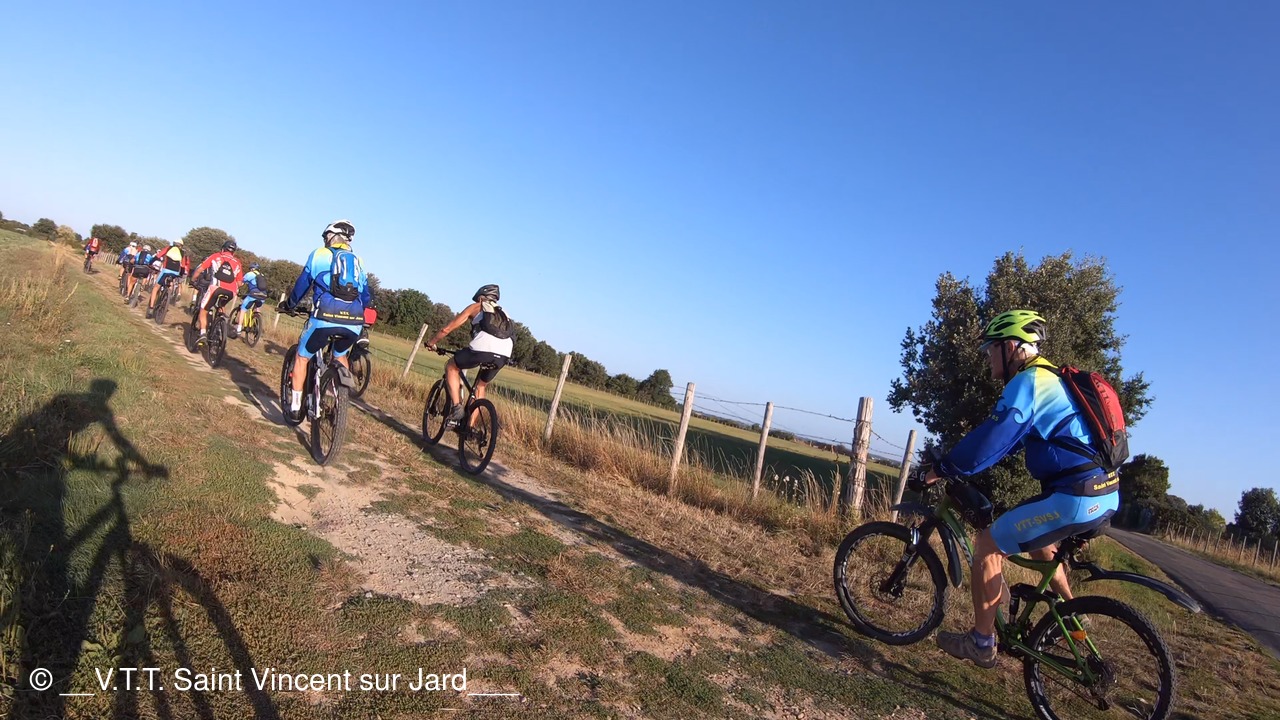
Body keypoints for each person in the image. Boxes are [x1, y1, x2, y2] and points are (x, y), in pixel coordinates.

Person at [925, 310, 1121, 668]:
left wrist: (944, 467)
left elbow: (993, 437)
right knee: (1042, 543)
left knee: (988, 545)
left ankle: (981, 642)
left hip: (1075, 498)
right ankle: (1072, 615)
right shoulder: (1053, 379)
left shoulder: (1029, 382)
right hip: (1103, 492)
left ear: (1011, 346)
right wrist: (974, 465)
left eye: (991, 348)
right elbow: (1012, 442)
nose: (988, 356)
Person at [279, 220, 370, 419]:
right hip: (354, 321)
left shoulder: (319, 254)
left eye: (325, 236)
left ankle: (295, 407)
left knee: (302, 357)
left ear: (331, 236)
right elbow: (365, 297)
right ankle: (339, 400)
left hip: (324, 318)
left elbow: (303, 284)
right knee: (340, 355)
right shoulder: (358, 261)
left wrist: (290, 304)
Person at [424, 284, 513, 423]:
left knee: (451, 366)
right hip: (504, 353)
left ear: (481, 298)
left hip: (482, 349)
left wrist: (432, 342)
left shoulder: (477, 307)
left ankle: (457, 408)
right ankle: (469, 427)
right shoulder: (505, 314)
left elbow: (447, 329)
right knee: (481, 386)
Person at [189, 240, 244, 345]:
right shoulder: (237, 262)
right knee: (221, 305)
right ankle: (220, 325)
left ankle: (203, 333)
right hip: (231, 292)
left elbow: (200, 269)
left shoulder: (216, 256)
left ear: (223, 248)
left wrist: (192, 280)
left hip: (216, 288)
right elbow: (240, 283)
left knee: (203, 309)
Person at [146, 239, 189, 318]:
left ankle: (151, 308)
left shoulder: (169, 248)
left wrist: (150, 262)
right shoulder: (182, 253)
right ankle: (167, 297)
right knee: (170, 285)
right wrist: (180, 274)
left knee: (156, 287)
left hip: (165, 270)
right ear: (181, 246)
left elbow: (158, 256)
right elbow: (183, 266)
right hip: (175, 273)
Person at [230, 263, 268, 335]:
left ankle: (239, 328)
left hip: (253, 294)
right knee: (256, 308)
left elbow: (241, 283)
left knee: (243, 309)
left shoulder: (250, 274)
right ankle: (256, 320)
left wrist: (237, 289)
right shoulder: (262, 275)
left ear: (251, 269)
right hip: (263, 295)